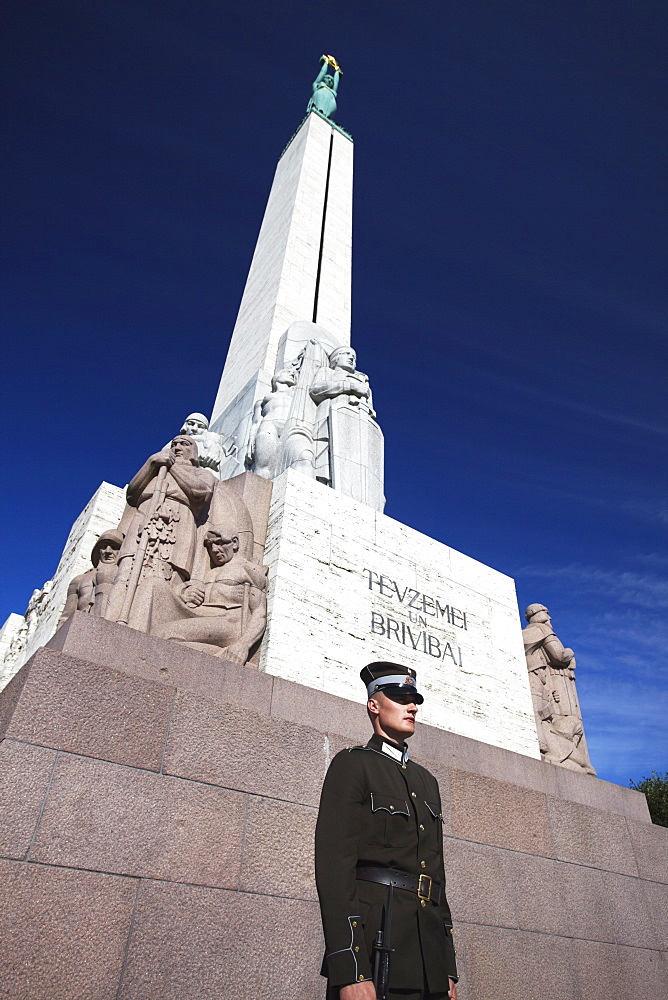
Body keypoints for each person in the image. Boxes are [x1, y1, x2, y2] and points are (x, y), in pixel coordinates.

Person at [315, 663, 458, 1000]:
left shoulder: (427, 782)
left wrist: (447, 967)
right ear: (374, 705)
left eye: (415, 699)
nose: (412, 706)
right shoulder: (353, 764)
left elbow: (436, 877)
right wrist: (350, 969)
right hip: (377, 953)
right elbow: (334, 871)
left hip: (428, 959)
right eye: (399, 697)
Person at [151, 524, 267, 664]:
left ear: (234, 543)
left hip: (229, 621)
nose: (214, 550)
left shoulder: (248, 569)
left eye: (219, 543)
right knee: (158, 632)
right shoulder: (210, 573)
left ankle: (223, 658)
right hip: (204, 615)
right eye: (210, 545)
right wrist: (186, 593)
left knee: (164, 634)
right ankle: (219, 656)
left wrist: (243, 645)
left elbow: (259, 613)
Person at [58, 529, 124, 623]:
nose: (108, 551)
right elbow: (65, 617)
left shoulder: (126, 575)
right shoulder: (79, 580)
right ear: (98, 551)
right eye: (104, 547)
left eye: (114, 547)